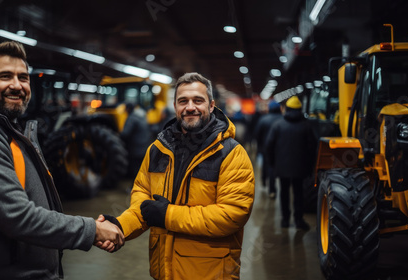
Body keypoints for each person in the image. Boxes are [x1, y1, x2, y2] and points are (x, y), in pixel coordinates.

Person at [0, 41, 124, 280]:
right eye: (5, 76)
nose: (17, 85)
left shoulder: (8, 130)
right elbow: (19, 217)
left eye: (23, 77)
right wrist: (92, 229)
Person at [102, 72, 255, 279]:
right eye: (183, 101)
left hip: (208, 273)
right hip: (163, 270)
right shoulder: (157, 150)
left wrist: (168, 215)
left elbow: (231, 215)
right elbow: (144, 203)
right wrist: (119, 227)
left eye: (197, 100)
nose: (190, 107)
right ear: (175, 107)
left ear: (211, 106)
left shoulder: (231, 153)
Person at [265, 96, 317, 230]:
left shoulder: (278, 125)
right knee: (298, 193)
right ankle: (299, 220)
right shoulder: (306, 126)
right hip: (300, 168)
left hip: (282, 167)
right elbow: (312, 148)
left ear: (286, 109)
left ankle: (285, 220)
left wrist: (272, 163)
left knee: (284, 193)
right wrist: (310, 166)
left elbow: (269, 146)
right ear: (300, 110)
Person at [254, 100, 282, 198]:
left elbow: (257, 134)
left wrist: (259, 145)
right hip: (279, 149)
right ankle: (272, 189)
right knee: (273, 167)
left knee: (266, 165)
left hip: (265, 147)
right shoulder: (282, 120)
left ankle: (263, 180)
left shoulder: (263, 119)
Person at [120, 102, 152, 179]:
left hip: (136, 149)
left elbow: (125, 134)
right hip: (145, 146)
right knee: (142, 169)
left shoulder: (131, 118)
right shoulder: (142, 116)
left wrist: (117, 135)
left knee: (135, 170)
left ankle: (134, 188)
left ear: (127, 109)